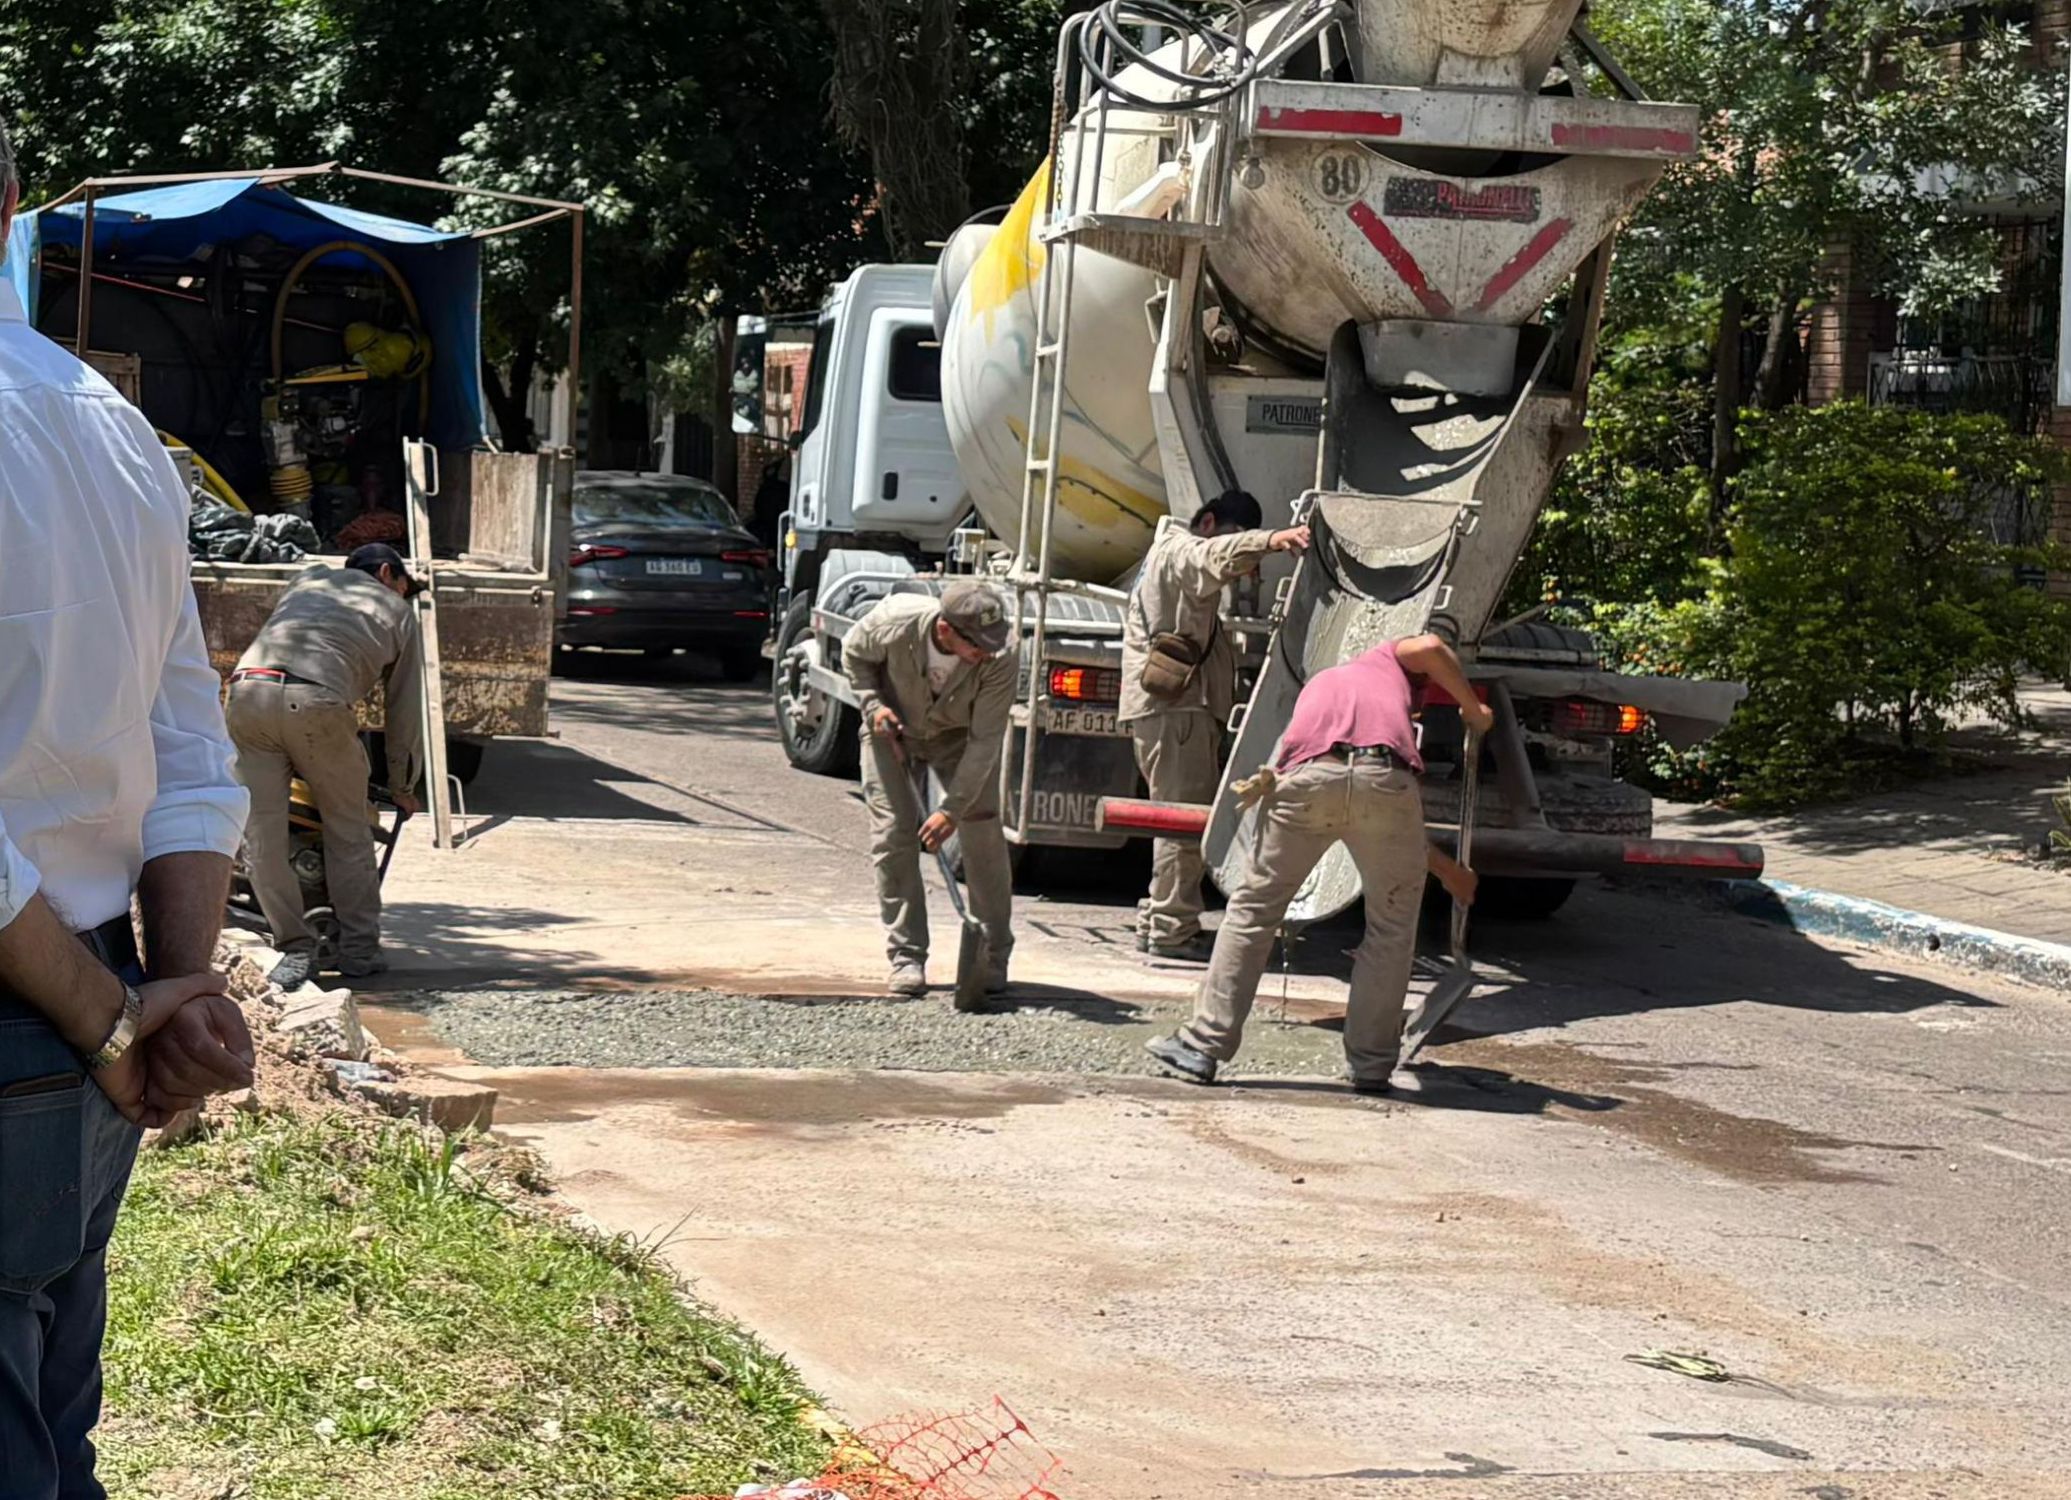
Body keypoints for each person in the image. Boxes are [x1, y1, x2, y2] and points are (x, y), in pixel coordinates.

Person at [0, 121, 257, 1499]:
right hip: (83, 1014)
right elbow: (188, 743)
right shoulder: (104, 421)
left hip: (59, 1006)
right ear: (11, 204)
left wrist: (120, 1017)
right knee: (52, 1436)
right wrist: (173, 989)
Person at [1145, 633, 1494, 1092]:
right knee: (1391, 930)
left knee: (1252, 913)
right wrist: (1473, 707)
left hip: (1304, 784)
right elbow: (1430, 646)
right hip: (1383, 780)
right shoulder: (1387, 660)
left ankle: (1201, 1046)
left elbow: (1343, 785)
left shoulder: (1325, 685)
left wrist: (1451, 876)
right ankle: (1371, 1066)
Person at [225, 542, 425, 991]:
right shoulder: (397, 610)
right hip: (316, 702)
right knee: (348, 831)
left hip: (247, 692)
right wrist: (402, 783)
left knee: (261, 835)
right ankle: (359, 952)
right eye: (403, 586)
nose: (403, 595)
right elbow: (404, 706)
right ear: (388, 573)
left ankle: (294, 946)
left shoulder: (308, 578)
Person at [1120, 489, 1309, 961]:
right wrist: (1271, 541)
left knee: (1172, 818)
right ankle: (1171, 928)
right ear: (1206, 523)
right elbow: (1212, 556)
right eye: (1232, 535)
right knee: (1182, 823)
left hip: (1171, 711)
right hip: (1177, 712)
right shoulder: (1181, 550)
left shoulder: (1166, 555)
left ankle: (1159, 918)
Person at [844, 581, 1018, 1003]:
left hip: (957, 736)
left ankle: (991, 955)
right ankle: (906, 956)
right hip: (892, 729)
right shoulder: (892, 623)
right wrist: (872, 705)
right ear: (945, 630)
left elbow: (986, 741)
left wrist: (952, 810)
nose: (988, 652)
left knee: (981, 830)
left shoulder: (1002, 653)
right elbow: (854, 655)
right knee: (893, 834)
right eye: (977, 644)